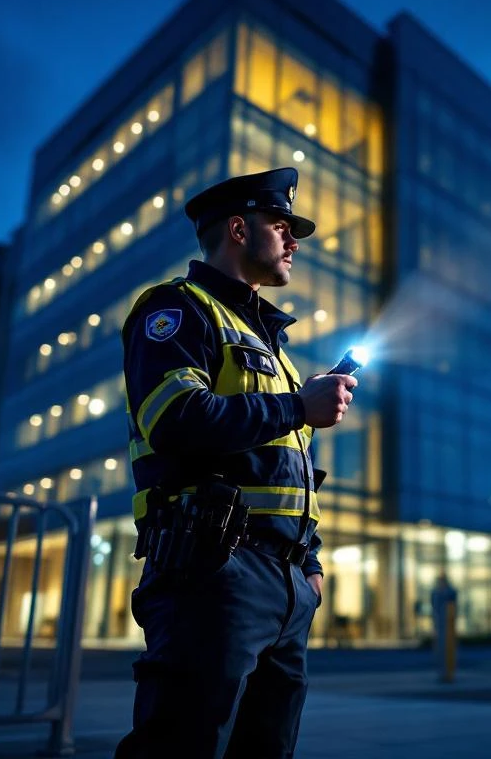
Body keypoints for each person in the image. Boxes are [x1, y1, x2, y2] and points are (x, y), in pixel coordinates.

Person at [114, 167, 357, 758]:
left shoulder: (275, 348)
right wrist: (298, 406)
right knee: (180, 745)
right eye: (282, 225)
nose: (293, 241)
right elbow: (176, 420)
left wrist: (312, 567)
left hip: (286, 583)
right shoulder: (176, 309)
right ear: (240, 229)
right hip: (212, 569)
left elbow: (287, 474)